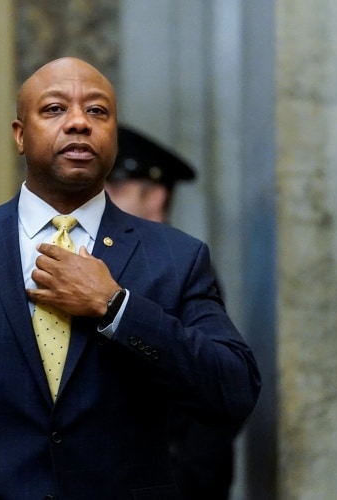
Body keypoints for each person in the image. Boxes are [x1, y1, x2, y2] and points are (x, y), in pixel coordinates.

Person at [0, 57, 261, 500]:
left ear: (111, 133)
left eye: (97, 111)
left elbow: (234, 390)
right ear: (19, 135)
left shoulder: (177, 257)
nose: (78, 123)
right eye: (54, 109)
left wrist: (118, 308)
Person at [106, 126, 239, 500]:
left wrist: (186, 479)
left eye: (116, 189)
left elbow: (219, 384)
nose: (103, 201)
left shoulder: (183, 269)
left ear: (156, 196)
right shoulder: (96, 262)